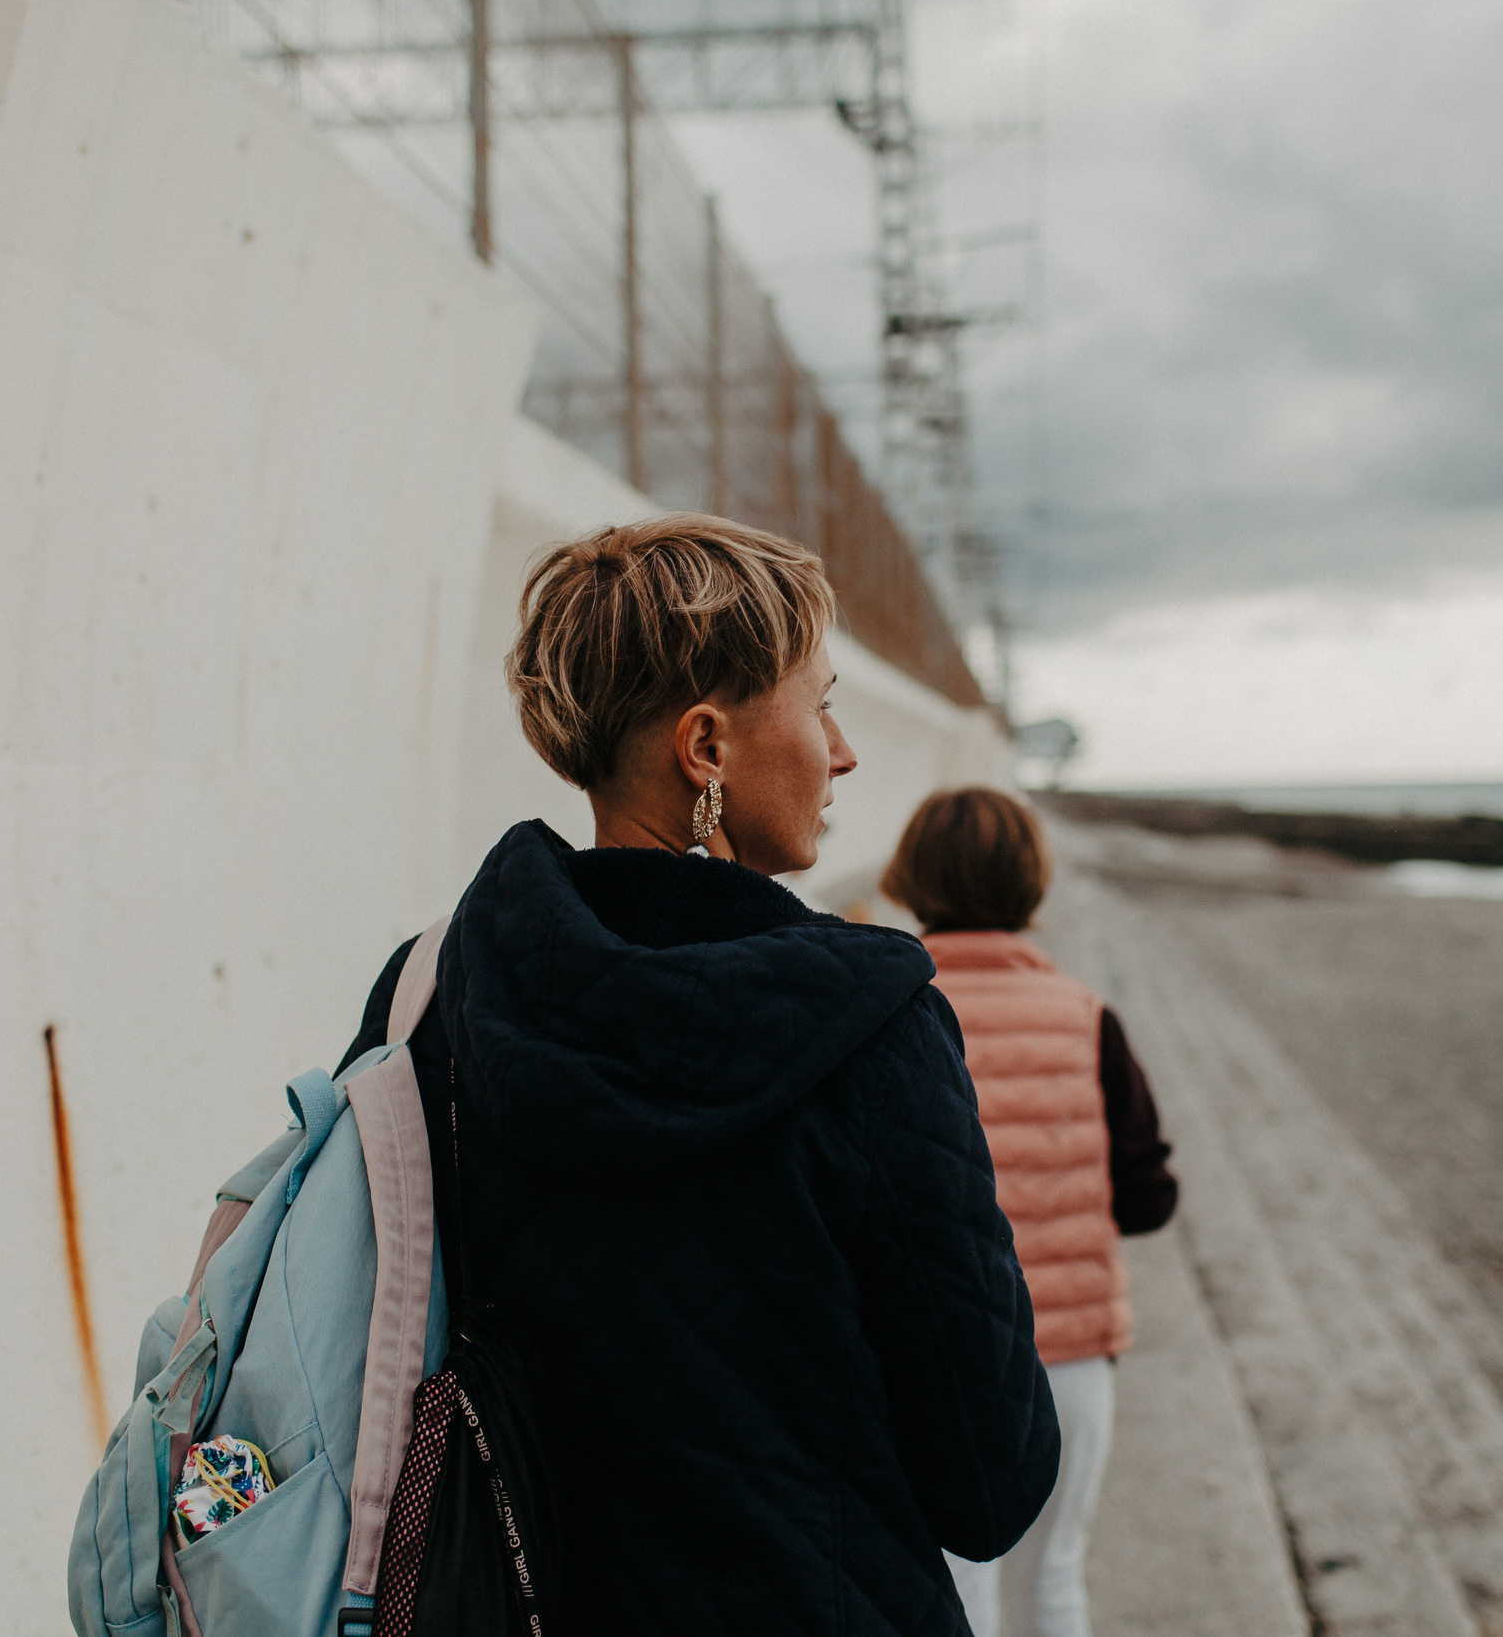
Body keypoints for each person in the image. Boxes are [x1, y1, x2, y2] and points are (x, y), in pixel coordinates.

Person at [337, 515, 1060, 1636]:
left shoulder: (431, 992)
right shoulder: (873, 1026)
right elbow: (993, 1480)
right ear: (707, 748)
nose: (845, 750)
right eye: (819, 704)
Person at [880, 788, 1178, 1637]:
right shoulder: (1088, 1020)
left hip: (934, 1363)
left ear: (910, 877)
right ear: (1031, 884)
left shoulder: (888, 1011)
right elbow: (1150, 1197)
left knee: (959, 1591)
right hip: (1074, 1362)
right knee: (1054, 1578)